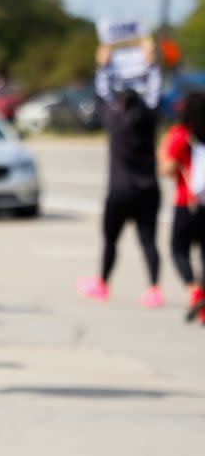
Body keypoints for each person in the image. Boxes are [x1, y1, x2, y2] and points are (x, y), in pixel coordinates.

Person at [78, 38, 164, 307]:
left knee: (111, 241)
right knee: (149, 241)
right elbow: (154, 94)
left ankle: (103, 283)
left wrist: (102, 66)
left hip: (120, 190)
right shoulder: (149, 120)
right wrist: (152, 65)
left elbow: (102, 94)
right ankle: (153, 288)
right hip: (149, 188)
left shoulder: (115, 120)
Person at [158, 91, 205, 323]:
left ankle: (194, 289)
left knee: (179, 250)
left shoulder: (181, 135)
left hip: (187, 203)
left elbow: (167, 169)